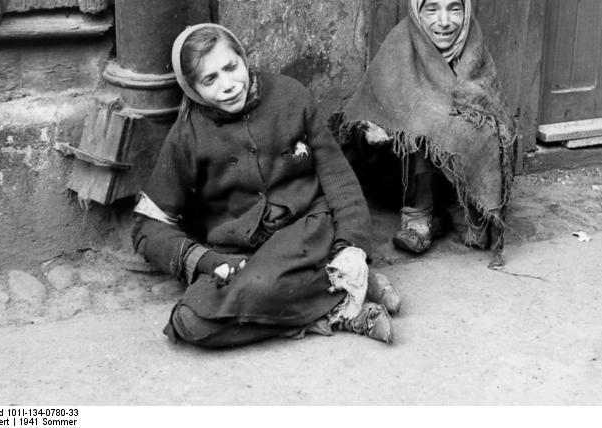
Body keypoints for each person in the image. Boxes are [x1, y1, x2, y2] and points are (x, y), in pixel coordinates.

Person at [131, 23, 400, 348]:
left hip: (308, 230)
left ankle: (342, 298)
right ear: (190, 88)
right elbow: (148, 225)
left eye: (231, 67)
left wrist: (351, 247)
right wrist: (204, 260)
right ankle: (341, 299)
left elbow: (338, 177)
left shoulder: (290, 96)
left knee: (261, 286)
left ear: (244, 58)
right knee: (189, 322)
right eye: (209, 79)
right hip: (240, 253)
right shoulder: (188, 134)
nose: (228, 85)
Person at [332, 0, 515, 267]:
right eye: (432, 10)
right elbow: (375, 105)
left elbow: (491, 105)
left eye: (454, 9)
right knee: (424, 125)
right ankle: (418, 212)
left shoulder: (473, 48)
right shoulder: (400, 46)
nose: (444, 22)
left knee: (481, 127)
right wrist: (378, 127)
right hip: (398, 170)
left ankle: (463, 204)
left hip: (454, 162)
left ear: (466, 12)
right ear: (417, 13)